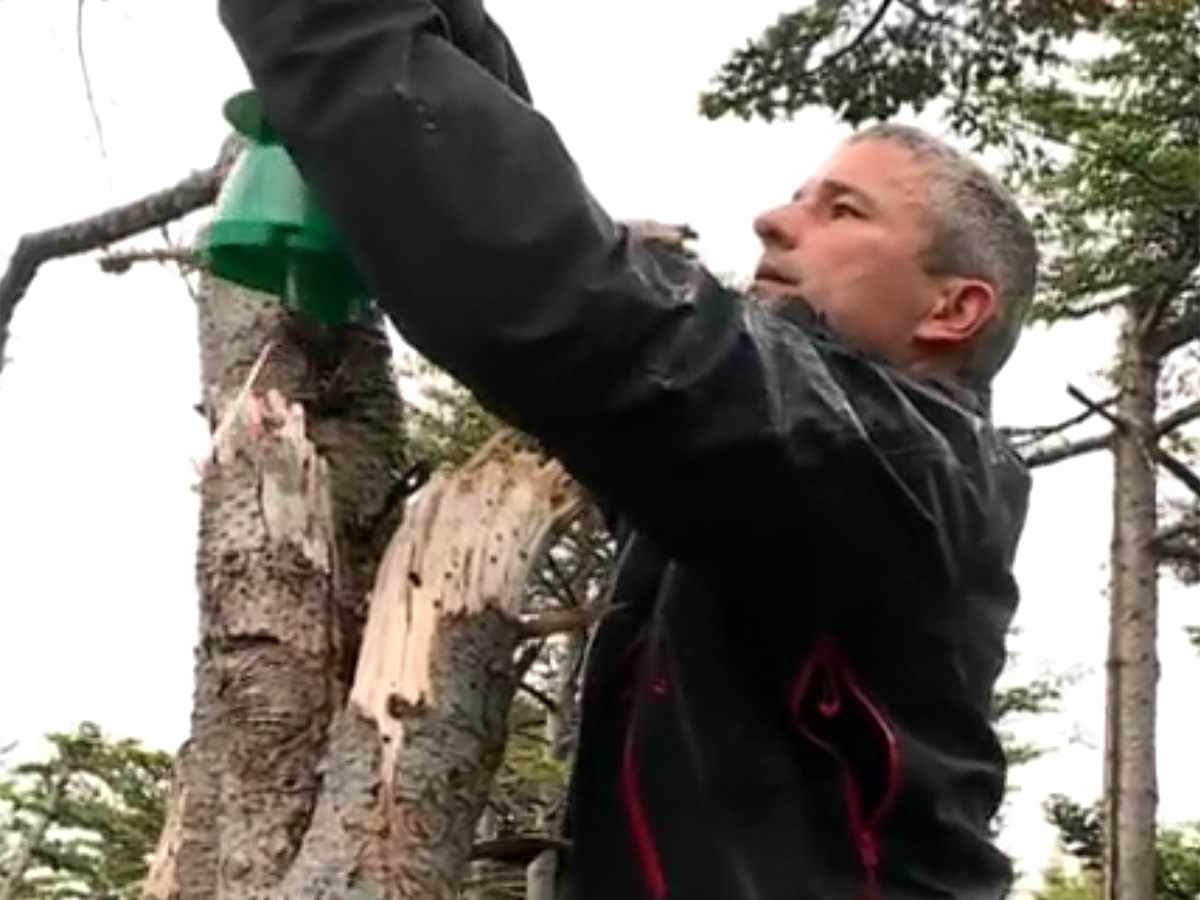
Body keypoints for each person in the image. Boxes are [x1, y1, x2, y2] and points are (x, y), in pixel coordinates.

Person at [218, 1, 1038, 898]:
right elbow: (609, 325)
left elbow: (586, 316)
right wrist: (448, 32)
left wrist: (327, 25)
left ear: (952, 311)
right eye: (798, 196)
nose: (771, 219)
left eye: (842, 211)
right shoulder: (791, 476)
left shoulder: (897, 467)